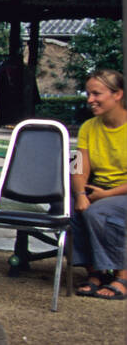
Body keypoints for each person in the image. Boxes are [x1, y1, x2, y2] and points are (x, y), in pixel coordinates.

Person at [71, 69, 127, 299]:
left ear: (117, 95)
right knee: (73, 211)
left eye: (96, 94)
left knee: (99, 212)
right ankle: (95, 273)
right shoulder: (87, 127)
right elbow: (77, 167)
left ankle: (122, 276)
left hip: (120, 192)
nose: (90, 100)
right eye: (88, 94)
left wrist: (106, 195)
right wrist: (81, 194)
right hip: (97, 190)